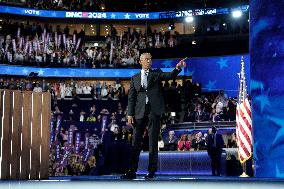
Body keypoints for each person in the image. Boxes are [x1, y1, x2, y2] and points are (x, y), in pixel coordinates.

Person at [121, 53, 186, 179]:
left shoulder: (156, 73)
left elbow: (169, 75)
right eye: (147, 59)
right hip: (139, 113)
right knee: (136, 142)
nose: (149, 61)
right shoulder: (134, 78)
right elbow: (131, 98)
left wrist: (178, 68)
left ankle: (151, 171)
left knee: (152, 142)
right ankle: (131, 171)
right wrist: (130, 114)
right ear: (141, 61)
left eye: (150, 59)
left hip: (154, 112)